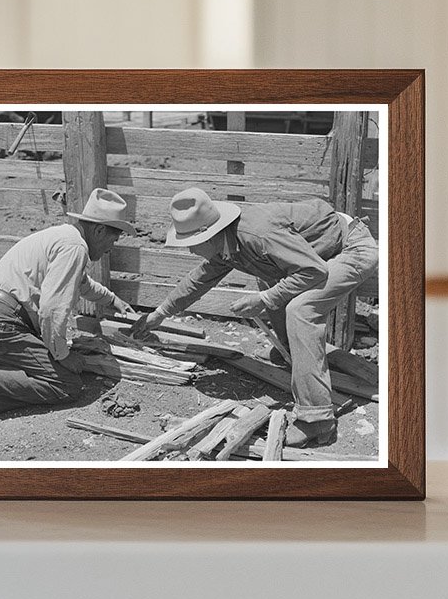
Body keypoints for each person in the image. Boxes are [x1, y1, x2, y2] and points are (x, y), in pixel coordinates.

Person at [131, 187, 378, 448]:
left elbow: (313, 271)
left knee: (301, 310)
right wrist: (159, 314)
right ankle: (293, 354)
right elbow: (198, 280)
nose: (191, 251)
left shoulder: (257, 235)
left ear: (209, 235)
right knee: (269, 279)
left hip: (352, 247)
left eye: (192, 243)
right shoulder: (226, 242)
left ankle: (317, 420)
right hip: (320, 254)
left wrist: (264, 300)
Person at [0, 187, 136, 428]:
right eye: (113, 240)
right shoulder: (75, 248)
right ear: (98, 231)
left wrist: (113, 300)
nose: (111, 248)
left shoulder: (61, 236)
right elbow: (51, 310)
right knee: (66, 384)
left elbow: (83, 284)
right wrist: (63, 355)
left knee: (38, 355)